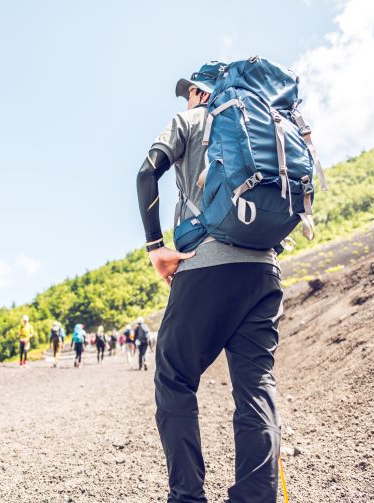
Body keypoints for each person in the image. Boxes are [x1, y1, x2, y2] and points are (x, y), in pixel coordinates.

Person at [136, 61, 284, 502]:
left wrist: (154, 247)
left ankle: (187, 497)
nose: (186, 98)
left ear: (205, 92)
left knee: (175, 378)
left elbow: (146, 173)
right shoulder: (265, 128)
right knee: (256, 386)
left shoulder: (191, 120)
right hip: (264, 271)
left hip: (206, 266)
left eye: (191, 90)